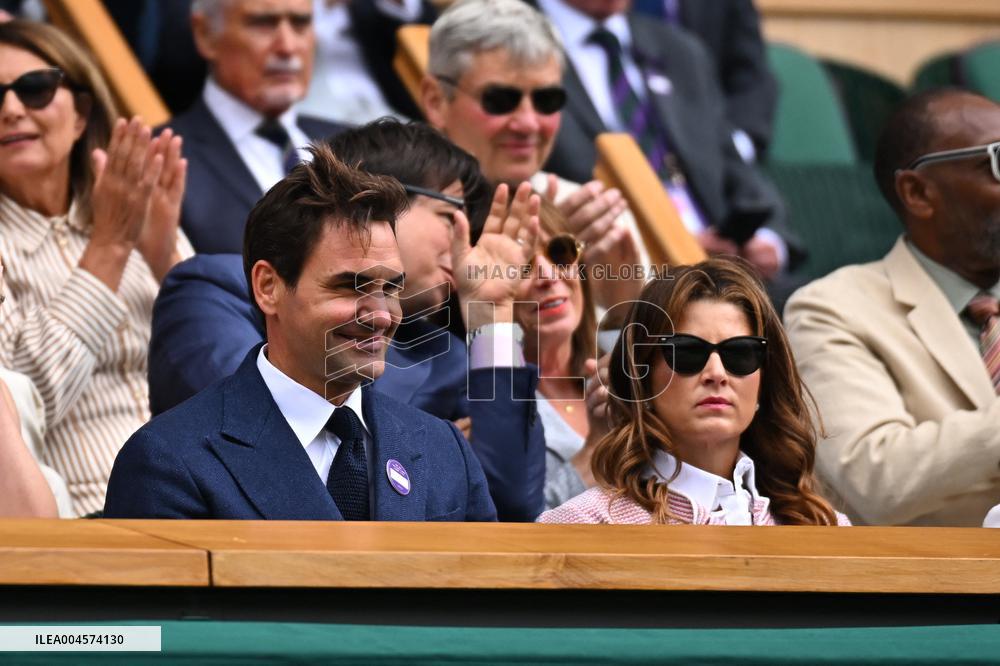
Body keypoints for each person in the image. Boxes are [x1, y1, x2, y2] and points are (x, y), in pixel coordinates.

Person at [104, 144, 533, 520]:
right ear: (268, 287)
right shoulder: (168, 461)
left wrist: (493, 312)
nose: (381, 315)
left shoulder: (442, 449)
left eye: (391, 288)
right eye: (350, 286)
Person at [784, 89, 1000, 527]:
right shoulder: (832, 308)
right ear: (918, 192)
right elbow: (876, 480)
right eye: (996, 161)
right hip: (940, 588)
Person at [0, 20, 190, 516]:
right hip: (86, 516)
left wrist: (166, 259)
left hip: (200, 499)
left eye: (35, 89)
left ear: (82, 113)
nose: (11, 109)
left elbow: (228, 371)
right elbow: (18, 411)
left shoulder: (129, 204)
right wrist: (109, 247)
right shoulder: (115, 222)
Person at [540, 258, 847, 525]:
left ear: (764, 381)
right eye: (686, 353)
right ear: (642, 378)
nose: (716, 373)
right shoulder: (584, 524)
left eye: (740, 354)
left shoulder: (824, 528)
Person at [533, 0, 803, 298]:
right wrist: (662, 247)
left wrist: (767, 241)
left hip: (734, 280)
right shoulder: (510, 46)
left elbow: (739, 171)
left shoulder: (680, 49)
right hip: (618, 289)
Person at [421, 0, 644, 314]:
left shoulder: (600, 219)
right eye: (500, 100)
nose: (528, 124)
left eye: (546, 99)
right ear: (436, 101)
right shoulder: (404, 216)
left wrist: (622, 307)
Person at [166, 0, 345, 253]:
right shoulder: (160, 160)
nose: (288, 46)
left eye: (300, 23)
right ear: (205, 35)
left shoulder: (355, 144)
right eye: (263, 24)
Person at [516, 198, 606, 509]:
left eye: (561, 253)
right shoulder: (488, 406)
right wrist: (593, 453)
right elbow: (517, 531)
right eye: (521, 266)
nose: (549, 276)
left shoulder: (623, 368)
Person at [631, 0, 777, 160]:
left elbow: (751, 77)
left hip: (711, 141)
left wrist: (736, 146)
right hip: (629, 140)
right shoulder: (609, 16)